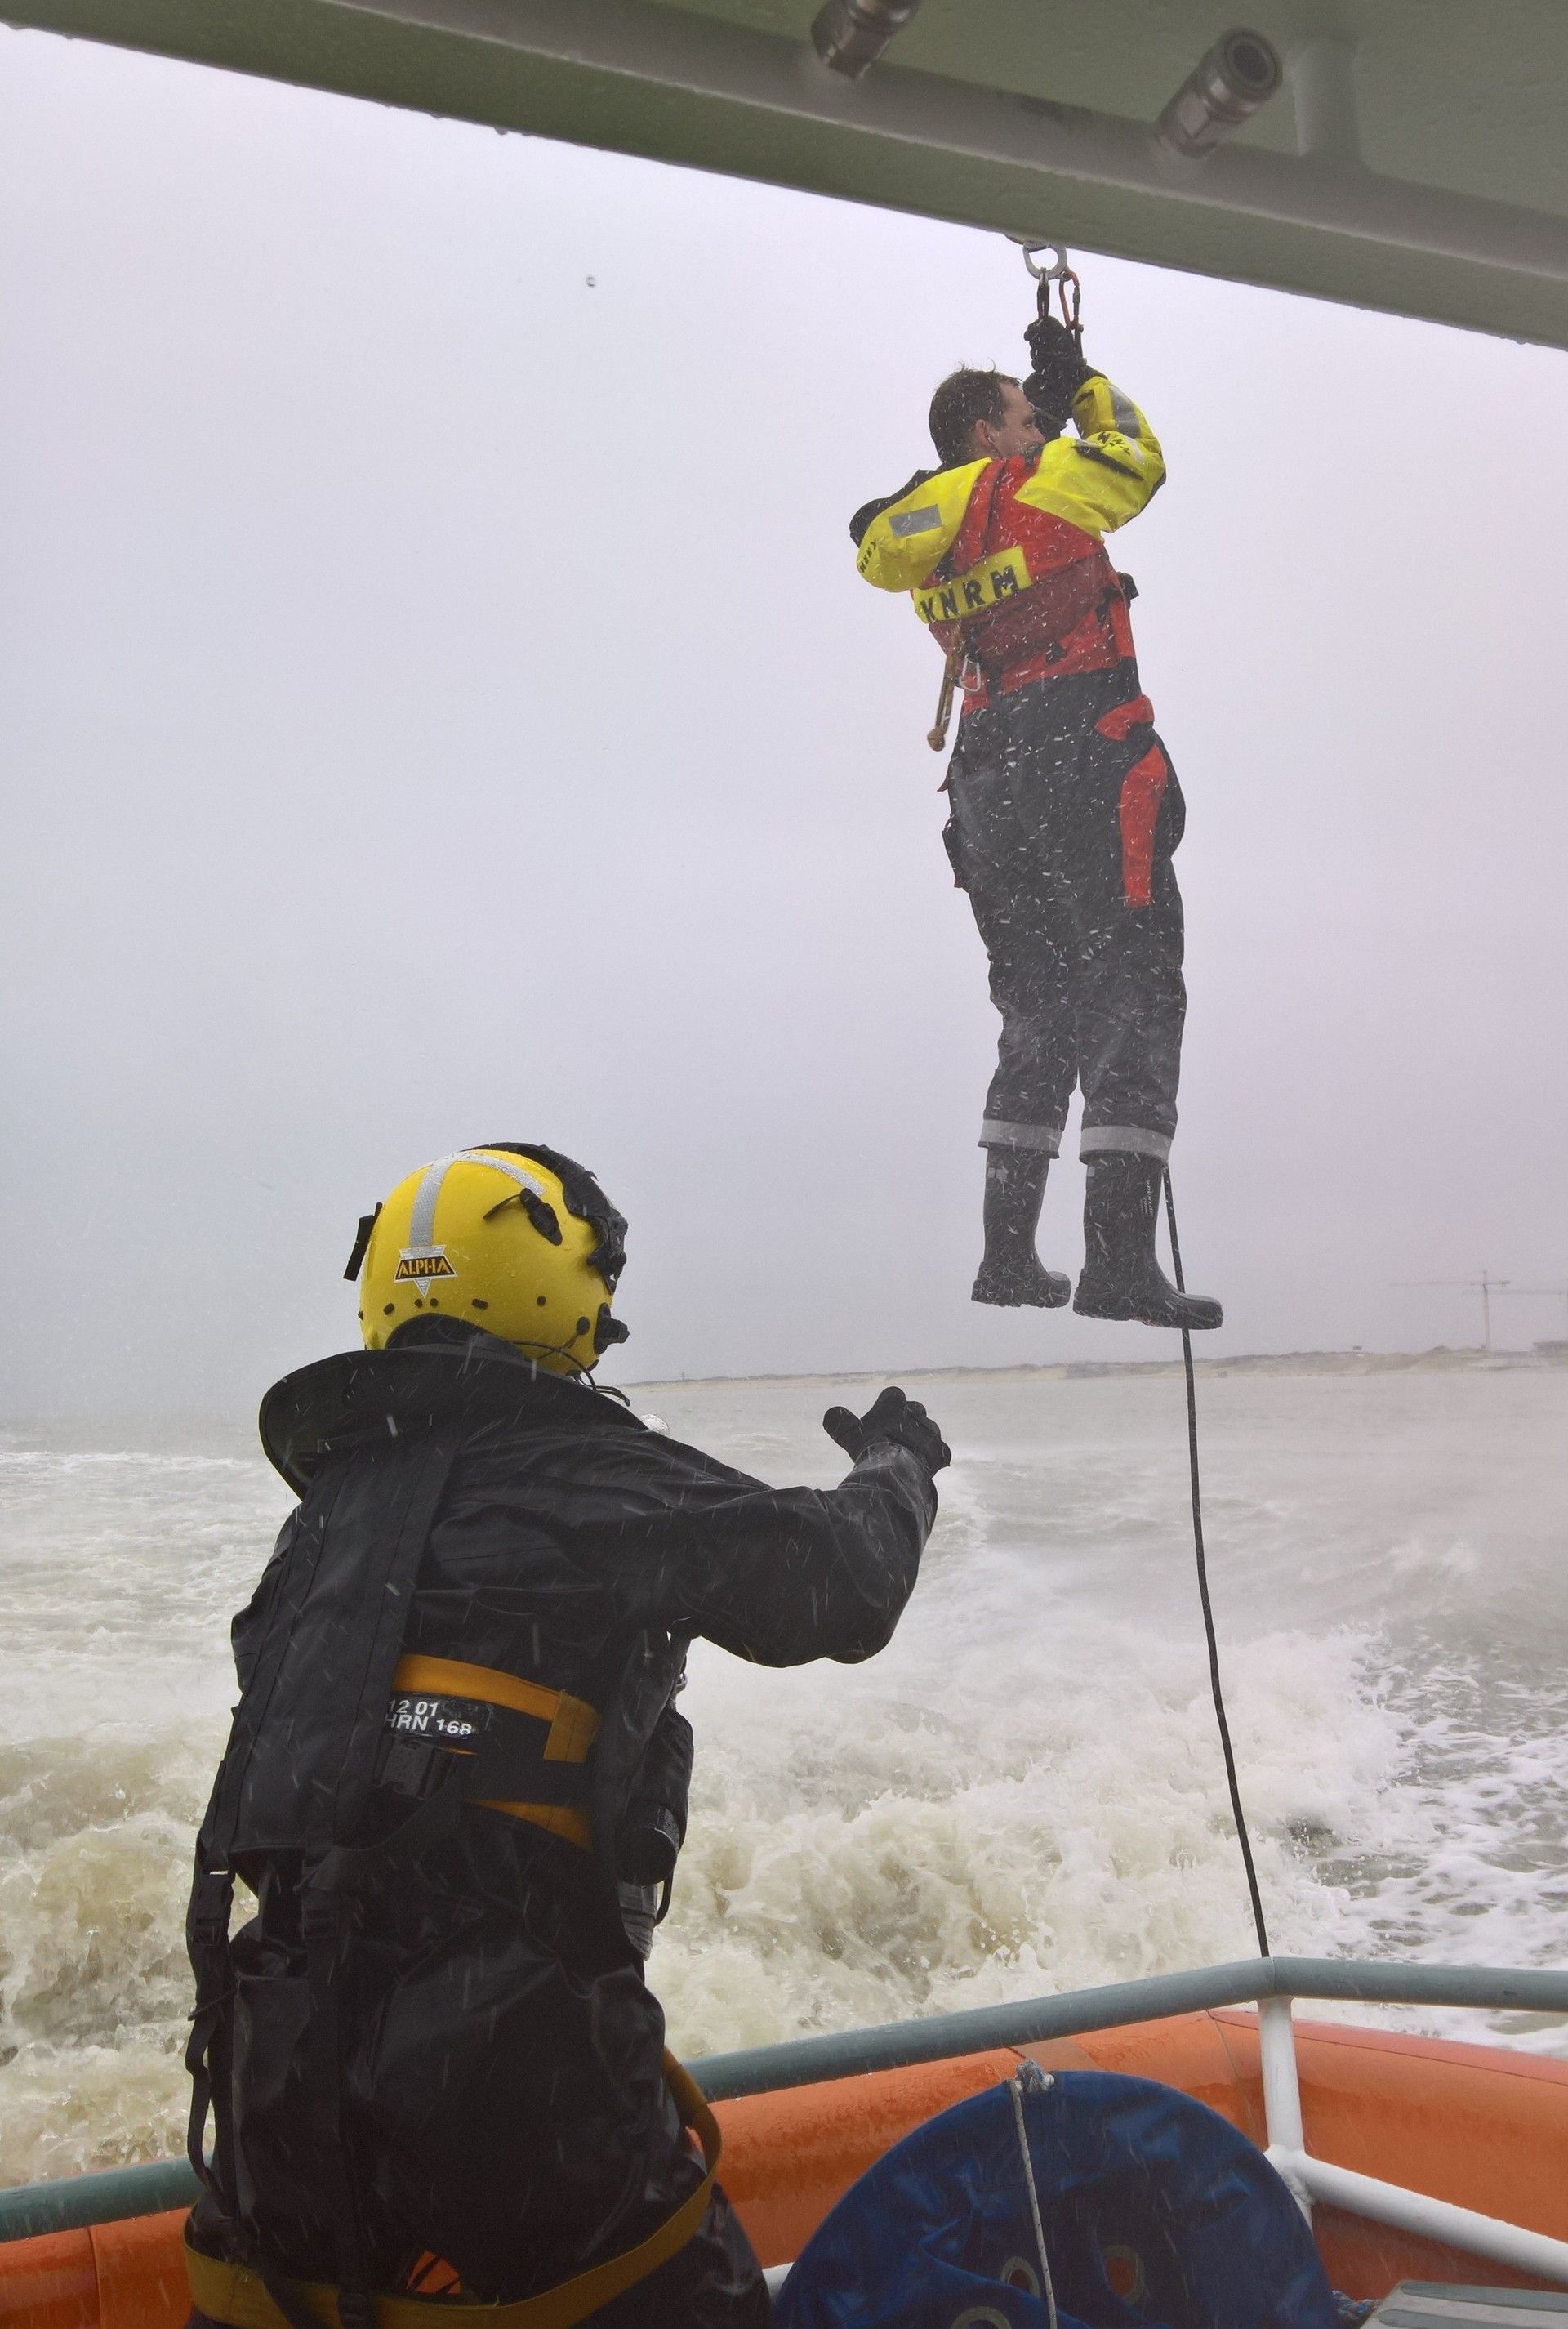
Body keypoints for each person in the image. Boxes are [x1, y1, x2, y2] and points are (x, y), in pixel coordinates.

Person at [181, 1142, 950, 2329]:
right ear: (560, 1280)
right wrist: (899, 1466)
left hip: (276, 2066)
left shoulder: (326, 1516)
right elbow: (843, 1584)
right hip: (502, 2061)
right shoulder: (580, 1467)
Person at [850, 312, 1222, 1331]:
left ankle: (1007, 1256)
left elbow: (889, 539)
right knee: (1135, 984)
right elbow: (1135, 463)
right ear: (988, 431)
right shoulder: (1036, 482)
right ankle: (1117, 1263)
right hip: (1082, 745)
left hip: (988, 772)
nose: (1039, 424)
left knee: (1038, 1003)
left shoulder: (917, 525)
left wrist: (1038, 411)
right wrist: (1086, 384)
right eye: (1023, 415)